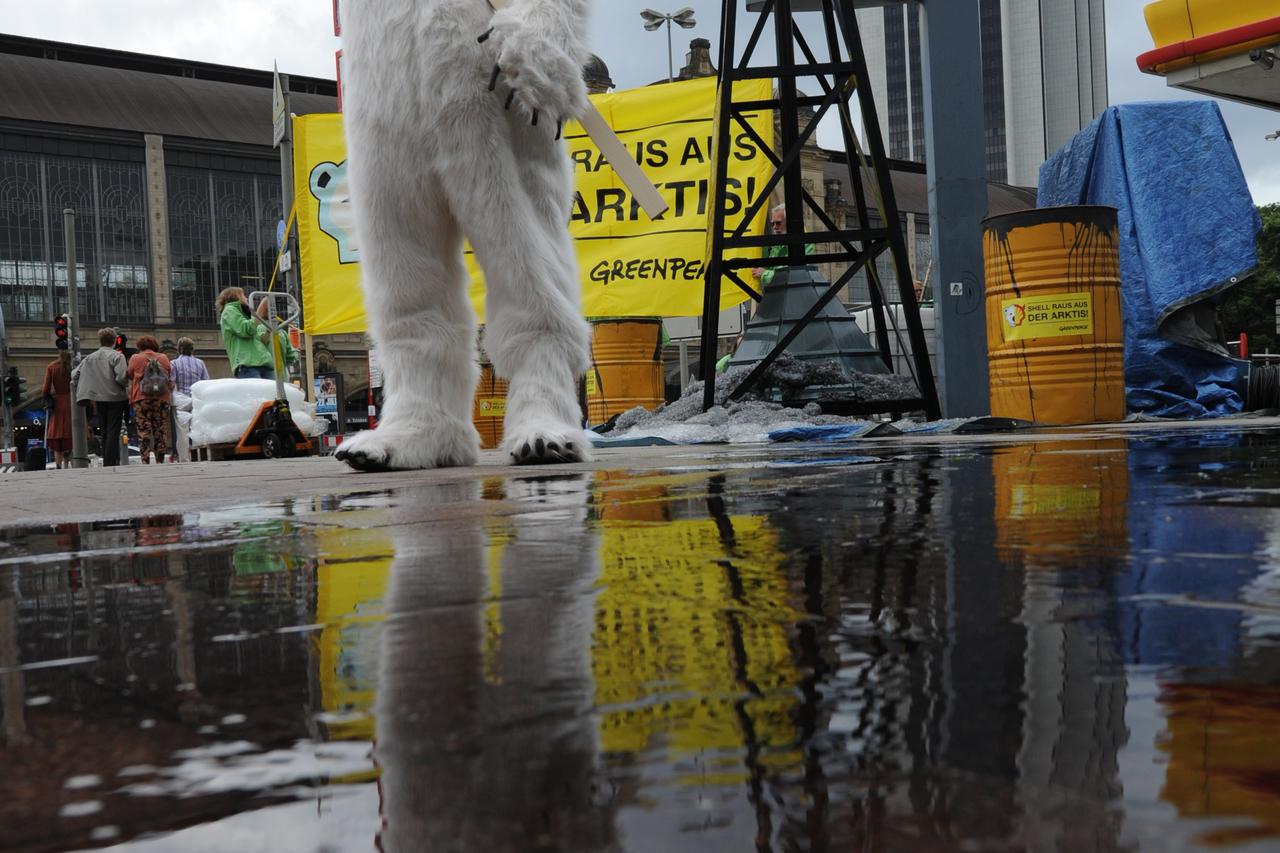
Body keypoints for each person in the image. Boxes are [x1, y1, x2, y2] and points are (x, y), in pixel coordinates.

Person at [73, 328, 129, 466]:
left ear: (100, 341)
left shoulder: (90, 358)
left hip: (99, 398)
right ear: (114, 341)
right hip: (116, 397)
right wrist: (126, 385)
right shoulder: (117, 356)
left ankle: (107, 460)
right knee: (113, 430)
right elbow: (121, 377)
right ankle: (111, 461)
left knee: (104, 430)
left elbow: (74, 374)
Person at [217, 286, 286, 380]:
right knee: (258, 393)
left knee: (271, 393)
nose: (246, 298)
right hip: (248, 364)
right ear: (236, 297)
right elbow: (246, 330)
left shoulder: (245, 315)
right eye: (243, 295)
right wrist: (261, 308)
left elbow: (262, 342)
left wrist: (269, 331)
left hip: (262, 362)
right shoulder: (229, 310)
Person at [127, 336, 173, 464]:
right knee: (161, 430)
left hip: (142, 399)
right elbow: (169, 372)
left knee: (143, 431)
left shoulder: (135, 358)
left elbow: (129, 374)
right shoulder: (163, 358)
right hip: (161, 399)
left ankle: (145, 460)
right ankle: (160, 460)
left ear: (140, 346)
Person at [752, 204, 816, 288]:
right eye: (773, 224)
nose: (775, 227)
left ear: (790, 223)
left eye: (778, 223)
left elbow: (793, 274)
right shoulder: (779, 241)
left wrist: (764, 274)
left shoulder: (805, 243)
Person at [169, 337, 209, 463]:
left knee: (182, 431)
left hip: (181, 400)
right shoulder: (200, 363)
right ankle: (200, 455)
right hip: (196, 399)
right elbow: (206, 382)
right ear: (192, 349)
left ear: (179, 349)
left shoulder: (174, 363)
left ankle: (184, 458)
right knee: (198, 427)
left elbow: (171, 383)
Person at [39, 350, 73, 468]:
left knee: (58, 435)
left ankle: (59, 464)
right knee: (73, 434)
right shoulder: (75, 365)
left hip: (58, 404)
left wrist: (46, 400)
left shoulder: (52, 367)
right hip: (73, 403)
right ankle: (72, 462)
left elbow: (45, 389)